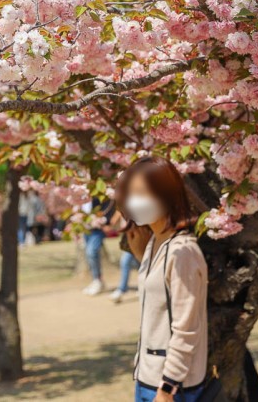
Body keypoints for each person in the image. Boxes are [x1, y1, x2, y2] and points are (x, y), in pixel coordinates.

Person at [115, 156, 211, 402]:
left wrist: (167, 388)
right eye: (131, 194)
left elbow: (186, 328)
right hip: (147, 378)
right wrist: (140, 256)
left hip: (171, 387)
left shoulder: (183, 253)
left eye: (142, 193)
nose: (134, 201)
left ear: (166, 195)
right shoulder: (156, 243)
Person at [82, 196, 113, 296]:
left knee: (91, 252)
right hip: (85, 228)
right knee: (89, 255)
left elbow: (108, 205)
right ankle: (97, 280)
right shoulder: (79, 195)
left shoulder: (97, 194)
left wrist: (106, 221)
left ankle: (97, 281)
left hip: (98, 228)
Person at [110, 210, 141, 303]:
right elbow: (113, 223)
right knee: (139, 263)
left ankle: (122, 289)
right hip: (128, 237)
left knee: (125, 261)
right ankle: (142, 285)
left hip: (139, 235)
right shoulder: (120, 208)